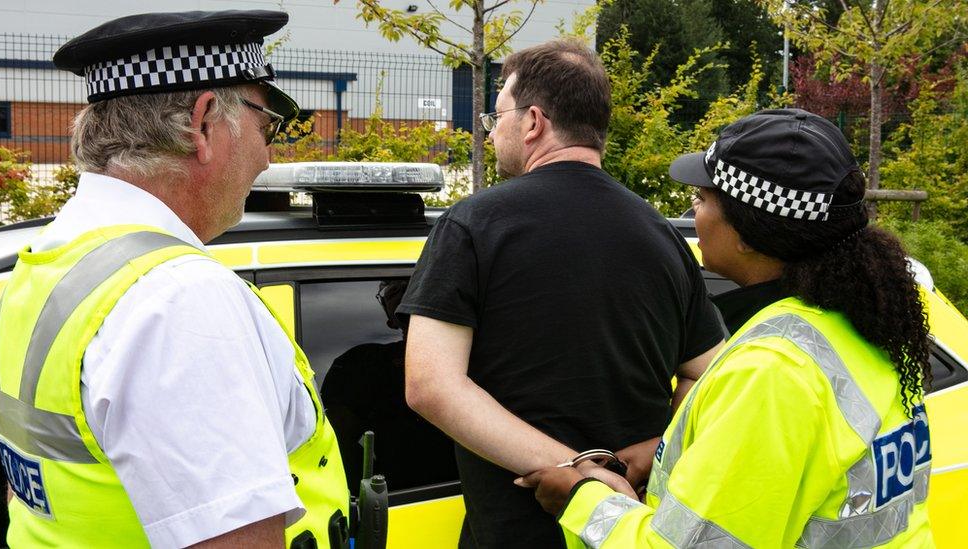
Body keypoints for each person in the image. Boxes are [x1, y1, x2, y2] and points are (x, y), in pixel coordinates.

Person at [0, 11, 350, 549]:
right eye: (265, 125)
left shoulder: (47, 263)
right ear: (203, 124)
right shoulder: (177, 298)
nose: (266, 155)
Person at [520, 108, 934, 548]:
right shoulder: (862, 327)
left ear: (747, 233)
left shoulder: (772, 371)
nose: (693, 214)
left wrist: (581, 501)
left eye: (701, 199)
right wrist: (673, 452)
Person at [397, 39, 725, 548]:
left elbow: (430, 386)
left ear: (533, 122)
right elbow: (710, 378)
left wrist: (575, 473)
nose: (492, 132)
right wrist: (654, 449)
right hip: (631, 531)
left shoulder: (475, 225)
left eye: (496, 116)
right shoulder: (661, 234)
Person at [321, 280, 458, 492]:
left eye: (410, 284)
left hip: (462, 487)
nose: (403, 289)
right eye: (392, 289)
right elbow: (336, 437)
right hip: (392, 496)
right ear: (391, 320)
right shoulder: (359, 363)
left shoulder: (470, 357)